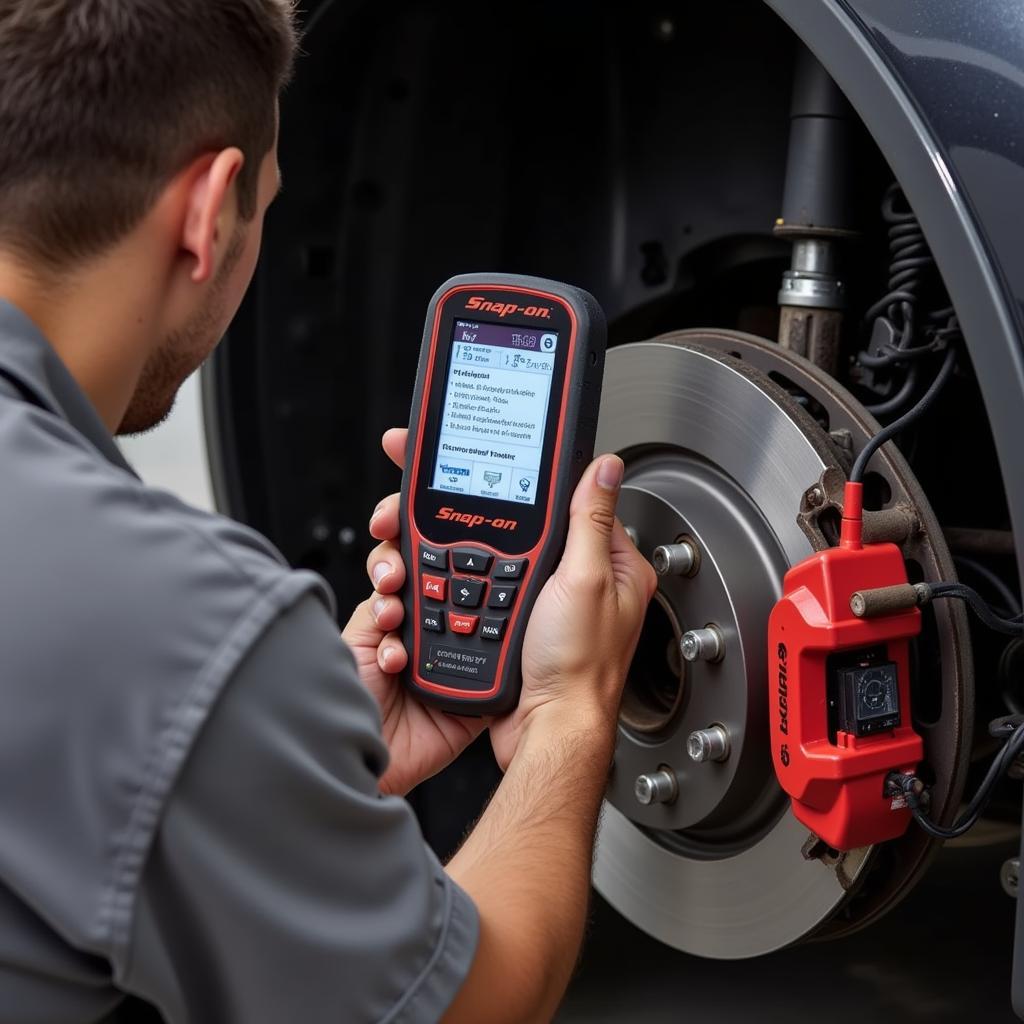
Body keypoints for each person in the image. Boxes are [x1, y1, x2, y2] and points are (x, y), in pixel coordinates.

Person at [0, 2, 656, 1022]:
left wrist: (283, 768)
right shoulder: (174, 627)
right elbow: (472, 1007)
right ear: (210, 211)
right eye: (266, 200)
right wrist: (570, 713)